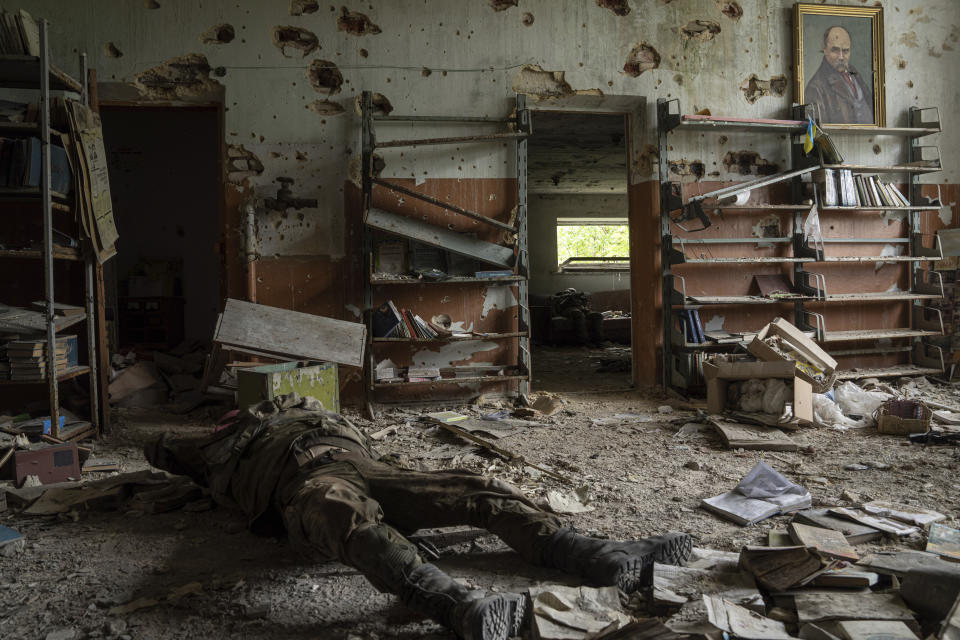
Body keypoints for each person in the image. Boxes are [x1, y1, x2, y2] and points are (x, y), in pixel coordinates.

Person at [144, 393, 692, 640]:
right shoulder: (227, 443)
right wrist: (203, 438)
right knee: (341, 513)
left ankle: (588, 554)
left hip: (361, 464)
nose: (267, 406)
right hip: (305, 483)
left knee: (474, 488)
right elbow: (160, 443)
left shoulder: (316, 414)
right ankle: (454, 605)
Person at [804, 25, 874, 125]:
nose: (841, 57)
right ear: (824, 50)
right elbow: (819, 131)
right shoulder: (816, 88)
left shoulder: (855, 74)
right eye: (835, 50)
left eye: (845, 51)